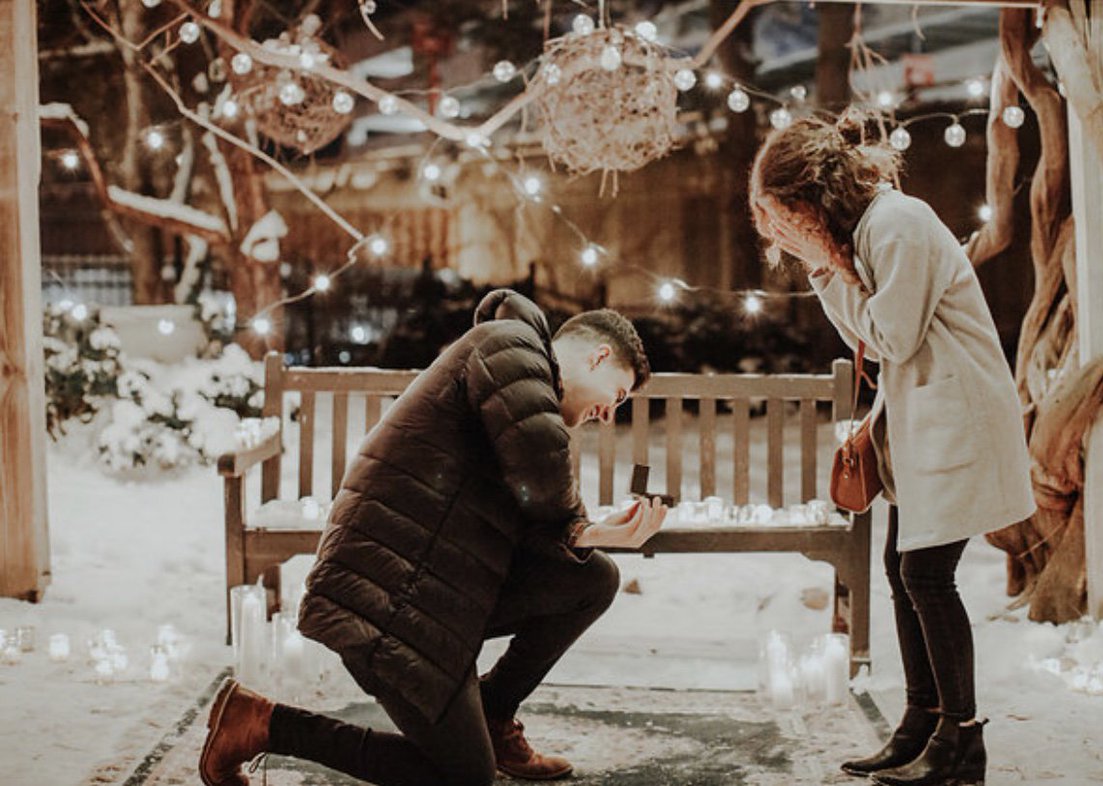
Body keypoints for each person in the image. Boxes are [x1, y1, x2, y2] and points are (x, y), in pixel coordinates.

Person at [199, 289, 666, 786]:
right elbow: (539, 460)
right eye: (615, 397)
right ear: (597, 356)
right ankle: (261, 724)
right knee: (465, 779)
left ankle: (491, 715)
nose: (608, 414)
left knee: (591, 578)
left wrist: (588, 533)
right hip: (385, 598)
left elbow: (528, 505)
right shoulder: (510, 347)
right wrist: (581, 526)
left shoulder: (518, 371)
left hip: (434, 587)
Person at [749, 112, 1035, 786]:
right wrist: (827, 268)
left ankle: (961, 740)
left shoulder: (897, 223)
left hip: (956, 414)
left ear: (812, 197)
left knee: (927, 577)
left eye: (785, 213)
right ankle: (921, 720)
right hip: (919, 417)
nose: (782, 230)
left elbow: (894, 337)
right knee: (902, 569)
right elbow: (874, 332)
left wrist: (826, 264)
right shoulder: (865, 235)